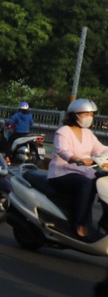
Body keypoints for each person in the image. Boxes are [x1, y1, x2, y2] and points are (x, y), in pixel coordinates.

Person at [46, 99, 108, 239]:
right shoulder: (63, 132)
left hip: (84, 172)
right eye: (86, 114)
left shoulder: (87, 133)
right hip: (61, 173)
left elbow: (100, 149)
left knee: (101, 180)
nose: (89, 118)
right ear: (75, 115)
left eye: (91, 114)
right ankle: (80, 223)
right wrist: (78, 159)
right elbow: (62, 150)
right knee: (86, 184)